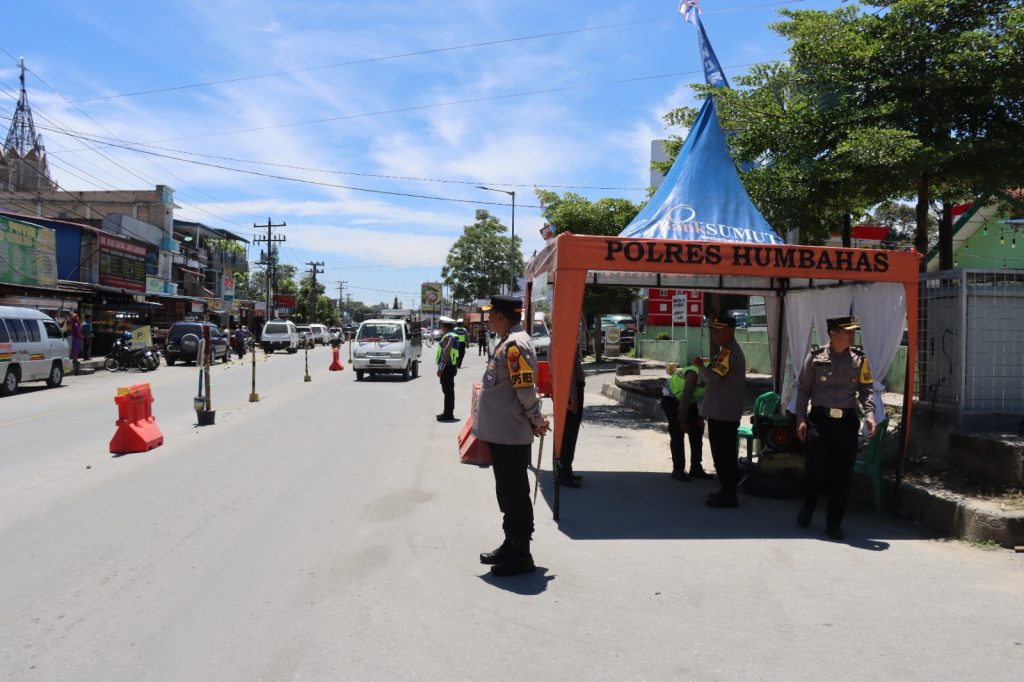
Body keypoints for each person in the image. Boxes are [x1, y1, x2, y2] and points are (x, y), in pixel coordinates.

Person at [475, 295, 549, 576]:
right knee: (507, 492)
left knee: (515, 494)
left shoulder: (515, 344)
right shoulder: (508, 340)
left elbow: (525, 388)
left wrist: (536, 418)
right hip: (503, 433)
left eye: (491, 314)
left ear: (502, 316)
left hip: (511, 434)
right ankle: (510, 542)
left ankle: (522, 553)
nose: (489, 318)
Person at [794, 315, 876, 540]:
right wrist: (800, 418)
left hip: (846, 423)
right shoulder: (815, 357)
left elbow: (866, 390)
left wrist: (870, 414)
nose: (852, 335)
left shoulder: (860, 359)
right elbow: (803, 389)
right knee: (817, 469)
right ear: (833, 334)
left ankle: (834, 523)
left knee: (842, 476)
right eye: (847, 331)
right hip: (820, 422)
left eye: (853, 331)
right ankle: (809, 505)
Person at [694, 314, 746, 508]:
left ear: (730, 331)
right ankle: (726, 490)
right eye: (714, 330)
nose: (715, 334)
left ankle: (729, 493)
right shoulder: (726, 351)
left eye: (719, 331)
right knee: (722, 454)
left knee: (724, 455)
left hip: (723, 413)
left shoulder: (729, 353)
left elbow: (713, 378)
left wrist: (700, 367)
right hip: (722, 411)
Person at [660, 362, 710, 482]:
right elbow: (685, 398)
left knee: (697, 430)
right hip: (671, 399)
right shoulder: (693, 374)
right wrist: (682, 421)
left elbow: (709, 399)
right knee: (678, 432)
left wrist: (701, 419)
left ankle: (696, 468)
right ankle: (678, 470)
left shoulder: (714, 377)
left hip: (689, 402)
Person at [555, 347, 586, 488]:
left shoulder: (567, 342)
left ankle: (567, 469)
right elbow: (568, 375)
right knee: (568, 435)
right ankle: (563, 472)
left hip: (573, 392)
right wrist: (572, 398)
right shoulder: (564, 344)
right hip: (570, 394)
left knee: (571, 435)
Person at [435, 316, 459, 422]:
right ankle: (447, 412)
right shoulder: (454, 335)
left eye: (442, 325)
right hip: (451, 367)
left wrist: (440, 369)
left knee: (448, 392)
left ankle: (448, 415)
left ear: (445, 326)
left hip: (447, 368)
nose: (441, 327)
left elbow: (445, 353)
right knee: (449, 392)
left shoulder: (448, 337)